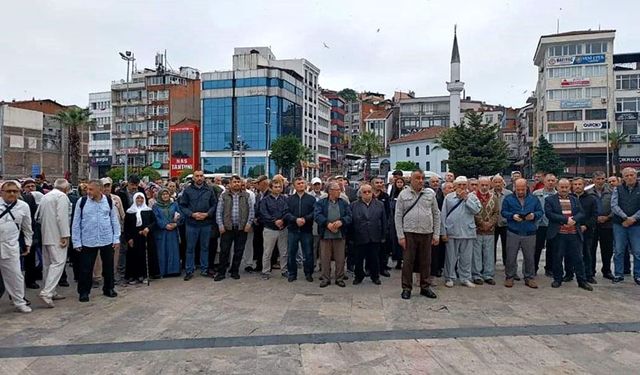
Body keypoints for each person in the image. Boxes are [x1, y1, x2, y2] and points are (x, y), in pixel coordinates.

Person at [72, 180, 121, 302]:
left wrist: (116, 238)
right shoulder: (82, 202)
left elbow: (114, 220)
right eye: (87, 189)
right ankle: (84, 292)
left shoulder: (108, 201)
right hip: (88, 240)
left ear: (99, 190)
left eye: (91, 189)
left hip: (106, 239)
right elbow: (76, 223)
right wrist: (76, 241)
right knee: (86, 268)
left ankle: (109, 288)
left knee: (108, 267)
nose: (88, 192)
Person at [395, 170, 440, 300]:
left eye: (422, 178)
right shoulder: (403, 194)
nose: (420, 181)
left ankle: (425, 287)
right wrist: (400, 236)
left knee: (426, 261)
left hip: (426, 232)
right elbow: (397, 216)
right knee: (408, 262)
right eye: (417, 178)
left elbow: (436, 214)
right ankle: (406, 288)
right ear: (411, 180)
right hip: (409, 232)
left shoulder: (430, 194)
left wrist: (436, 234)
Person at [545, 179, 592, 291]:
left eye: (566, 187)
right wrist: (565, 220)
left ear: (569, 187)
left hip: (574, 233)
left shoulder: (575, 200)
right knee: (557, 257)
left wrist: (574, 220)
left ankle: (582, 281)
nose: (564, 189)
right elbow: (549, 214)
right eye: (562, 187)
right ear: (557, 187)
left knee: (578, 258)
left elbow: (581, 213)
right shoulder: (550, 200)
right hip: (558, 233)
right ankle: (557, 279)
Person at [35, 178, 71, 307]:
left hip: (46, 234)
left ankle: (51, 290)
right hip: (57, 235)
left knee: (48, 264)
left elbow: (37, 217)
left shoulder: (46, 196)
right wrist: (65, 235)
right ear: (66, 188)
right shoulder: (61, 197)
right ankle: (47, 292)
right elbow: (62, 217)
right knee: (58, 263)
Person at [501, 178, 543, 288]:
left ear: (526, 188)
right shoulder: (508, 199)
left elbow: (540, 212)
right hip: (513, 231)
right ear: (514, 188)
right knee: (511, 256)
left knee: (529, 256)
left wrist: (533, 216)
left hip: (529, 232)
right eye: (518, 189)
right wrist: (512, 216)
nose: (520, 192)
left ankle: (529, 277)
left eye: (522, 189)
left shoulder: (534, 199)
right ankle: (510, 276)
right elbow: (503, 212)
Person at [441, 176, 482, 288]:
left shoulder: (472, 197)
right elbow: (443, 215)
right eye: (459, 185)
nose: (462, 187)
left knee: (466, 257)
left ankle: (465, 278)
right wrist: (443, 232)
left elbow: (477, 210)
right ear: (455, 186)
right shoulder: (449, 197)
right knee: (451, 257)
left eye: (464, 185)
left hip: (467, 231)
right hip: (452, 231)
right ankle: (449, 277)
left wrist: (466, 199)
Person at [0, 180, 33, 313]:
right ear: (2, 192)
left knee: (15, 275)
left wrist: (28, 244)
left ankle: (19, 301)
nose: (12, 194)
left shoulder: (23, 206)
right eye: (9, 191)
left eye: (15, 191)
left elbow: (27, 228)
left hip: (11, 245)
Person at [179, 170, 218, 281]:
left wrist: (207, 214)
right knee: (190, 248)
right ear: (193, 178)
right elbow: (182, 206)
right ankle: (189, 270)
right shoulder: (187, 190)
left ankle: (204, 269)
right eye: (197, 176)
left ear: (204, 177)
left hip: (206, 223)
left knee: (205, 248)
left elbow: (214, 205)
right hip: (191, 224)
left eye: (201, 176)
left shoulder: (209, 190)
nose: (199, 178)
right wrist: (192, 214)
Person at [215, 175, 254, 281]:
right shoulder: (224, 196)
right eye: (234, 182)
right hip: (227, 228)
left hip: (242, 228)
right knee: (224, 251)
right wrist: (220, 225)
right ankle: (221, 272)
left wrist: (248, 224)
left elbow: (251, 211)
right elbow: (219, 212)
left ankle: (234, 271)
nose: (237, 183)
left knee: (239, 251)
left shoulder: (246, 196)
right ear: (230, 184)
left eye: (238, 181)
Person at [314, 182, 352, 288]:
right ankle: (326, 278)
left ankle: (339, 278)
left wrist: (341, 222)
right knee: (325, 258)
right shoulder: (321, 203)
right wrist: (327, 224)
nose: (339, 191)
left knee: (340, 258)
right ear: (330, 191)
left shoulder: (343, 203)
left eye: (339, 190)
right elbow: (317, 215)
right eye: (337, 190)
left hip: (340, 235)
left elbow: (349, 216)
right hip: (325, 235)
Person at [350, 183, 387, 285]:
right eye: (364, 192)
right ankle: (358, 276)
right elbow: (351, 222)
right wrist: (351, 237)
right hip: (359, 236)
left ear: (372, 193)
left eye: (369, 192)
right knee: (358, 259)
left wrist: (383, 235)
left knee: (374, 258)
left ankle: (375, 276)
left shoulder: (379, 204)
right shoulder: (353, 205)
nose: (367, 194)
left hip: (374, 236)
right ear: (360, 193)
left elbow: (384, 221)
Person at [283, 177, 316, 282]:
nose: (301, 185)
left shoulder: (311, 199)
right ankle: (292, 273)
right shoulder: (289, 199)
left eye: (302, 183)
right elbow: (286, 213)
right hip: (293, 229)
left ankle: (308, 273)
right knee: (291, 253)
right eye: (298, 183)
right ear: (294, 185)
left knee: (308, 253)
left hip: (306, 230)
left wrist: (305, 219)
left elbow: (315, 212)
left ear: (305, 184)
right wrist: (295, 219)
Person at [611, 167, 640, 284]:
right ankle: (618, 274)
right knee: (618, 250)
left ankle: (638, 275)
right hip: (620, 224)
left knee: (638, 252)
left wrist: (633, 218)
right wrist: (625, 218)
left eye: (631, 175)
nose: (629, 177)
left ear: (636, 176)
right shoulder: (617, 189)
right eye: (626, 175)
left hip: (637, 225)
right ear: (623, 178)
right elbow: (614, 205)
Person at [567, 177, 598, 284]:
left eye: (579, 184)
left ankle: (588, 275)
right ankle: (569, 274)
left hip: (586, 230)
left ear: (584, 185)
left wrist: (586, 226)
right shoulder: (568, 198)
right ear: (572, 186)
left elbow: (594, 215)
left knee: (587, 253)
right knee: (569, 253)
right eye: (575, 184)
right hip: (570, 230)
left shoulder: (591, 199)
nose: (577, 186)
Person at [259, 179, 289, 280]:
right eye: (275, 187)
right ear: (271, 188)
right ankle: (265, 271)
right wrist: (274, 221)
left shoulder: (285, 199)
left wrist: (282, 221)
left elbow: (287, 211)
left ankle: (284, 270)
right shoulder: (265, 200)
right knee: (268, 252)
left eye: (279, 187)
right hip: (270, 229)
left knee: (284, 252)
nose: (277, 189)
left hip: (283, 229)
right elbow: (263, 213)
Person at [586, 171, 614, 279]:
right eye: (598, 179)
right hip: (593, 224)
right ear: (593, 180)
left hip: (608, 223)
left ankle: (606, 271)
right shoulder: (587, 192)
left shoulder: (612, 191)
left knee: (607, 249)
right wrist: (594, 218)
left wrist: (608, 217)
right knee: (591, 249)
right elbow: (586, 208)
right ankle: (591, 271)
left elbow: (615, 206)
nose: (600, 181)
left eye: (602, 179)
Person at [124, 192, 156, 284]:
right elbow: (126, 227)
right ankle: (134, 276)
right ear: (134, 199)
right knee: (134, 256)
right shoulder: (130, 212)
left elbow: (154, 222)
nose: (140, 200)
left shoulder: (148, 210)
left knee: (145, 256)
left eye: (141, 198)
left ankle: (145, 275)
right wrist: (129, 238)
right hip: (134, 238)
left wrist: (148, 228)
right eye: (137, 198)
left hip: (146, 237)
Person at [472, 177, 499, 285]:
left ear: (489, 185)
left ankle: (488, 275)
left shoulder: (494, 197)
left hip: (490, 230)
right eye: (482, 185)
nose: (484, 187)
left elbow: (496, 213)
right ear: (478, 185)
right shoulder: (473, 197)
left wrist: (490, 224)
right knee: (477, 254)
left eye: (486, 185)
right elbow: (473, 212)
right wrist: (481, 223)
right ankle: (476, 275)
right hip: (477, 230)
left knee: (489, 253)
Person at [532, 173, 557, 276]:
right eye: (548, 180)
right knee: (536, 248)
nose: (550, 183)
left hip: (552, 224)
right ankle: (534, 268)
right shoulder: (536, 193)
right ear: (544, 181)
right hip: (539, 224)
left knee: (551, 248)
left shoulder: (558, 194)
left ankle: (549, 269)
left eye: (552, 180)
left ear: (555, 182)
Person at [152, 188, 181, 277]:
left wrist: (176, 224)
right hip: (161, 232)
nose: (165, 196)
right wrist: (165, 225)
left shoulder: (174, 204)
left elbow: (180, 215)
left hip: (173, 231)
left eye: (167, 194)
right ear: (160, 196)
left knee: (173, 250)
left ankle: (174, 270)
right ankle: (163, 271)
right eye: (163, 194)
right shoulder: (156, 206)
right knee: (162, 250)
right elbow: (155, 218)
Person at [371, 177, 392, 276]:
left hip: (382, 226)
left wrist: (386, 226)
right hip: (370, 227)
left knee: (383, 249)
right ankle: (369, 268)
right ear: (372, 184)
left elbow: (388, 212)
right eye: (377, 183)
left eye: (381, 183)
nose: (379, 184)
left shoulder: (385, 196)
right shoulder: (368, 195)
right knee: (370, 249)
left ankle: (383, 268)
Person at [250, 175, 269, 273]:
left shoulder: (269, 195)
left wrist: (259, 219)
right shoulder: (258, 195)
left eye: (258, 183)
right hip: (257, 225)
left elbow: (268, 210)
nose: (256, 185)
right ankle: (259, 264)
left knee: (264, 247)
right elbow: (256, 208)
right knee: (258, 245)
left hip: (265, 224)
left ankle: (263, 265)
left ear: (263, 183)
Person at [491, 175, 512, 268]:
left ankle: (507, 264)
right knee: (491, 246)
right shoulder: (489, 194)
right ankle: (491, 264)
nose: (497, 184)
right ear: (492, 183)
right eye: (495, 182)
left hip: (505, 223)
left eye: (499, 182)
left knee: (507, 246)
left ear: (503, 183)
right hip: (493, 224)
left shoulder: (509, 194)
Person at [429, 175, 445, 278]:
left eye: (437, 181)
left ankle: (438, 268)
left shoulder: (441, 193)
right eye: (433, 182)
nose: (435, 183)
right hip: (429, 224)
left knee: (439, 249)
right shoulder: (427, 193)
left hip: (440, 223)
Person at [389, 177, 406, 269]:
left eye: (401, 182)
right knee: (396, 241)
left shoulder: (406, 193)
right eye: (398, 182)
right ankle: (398, 260)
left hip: (405, 220)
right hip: (394, 220)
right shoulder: (393, 193)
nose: (399, 184)